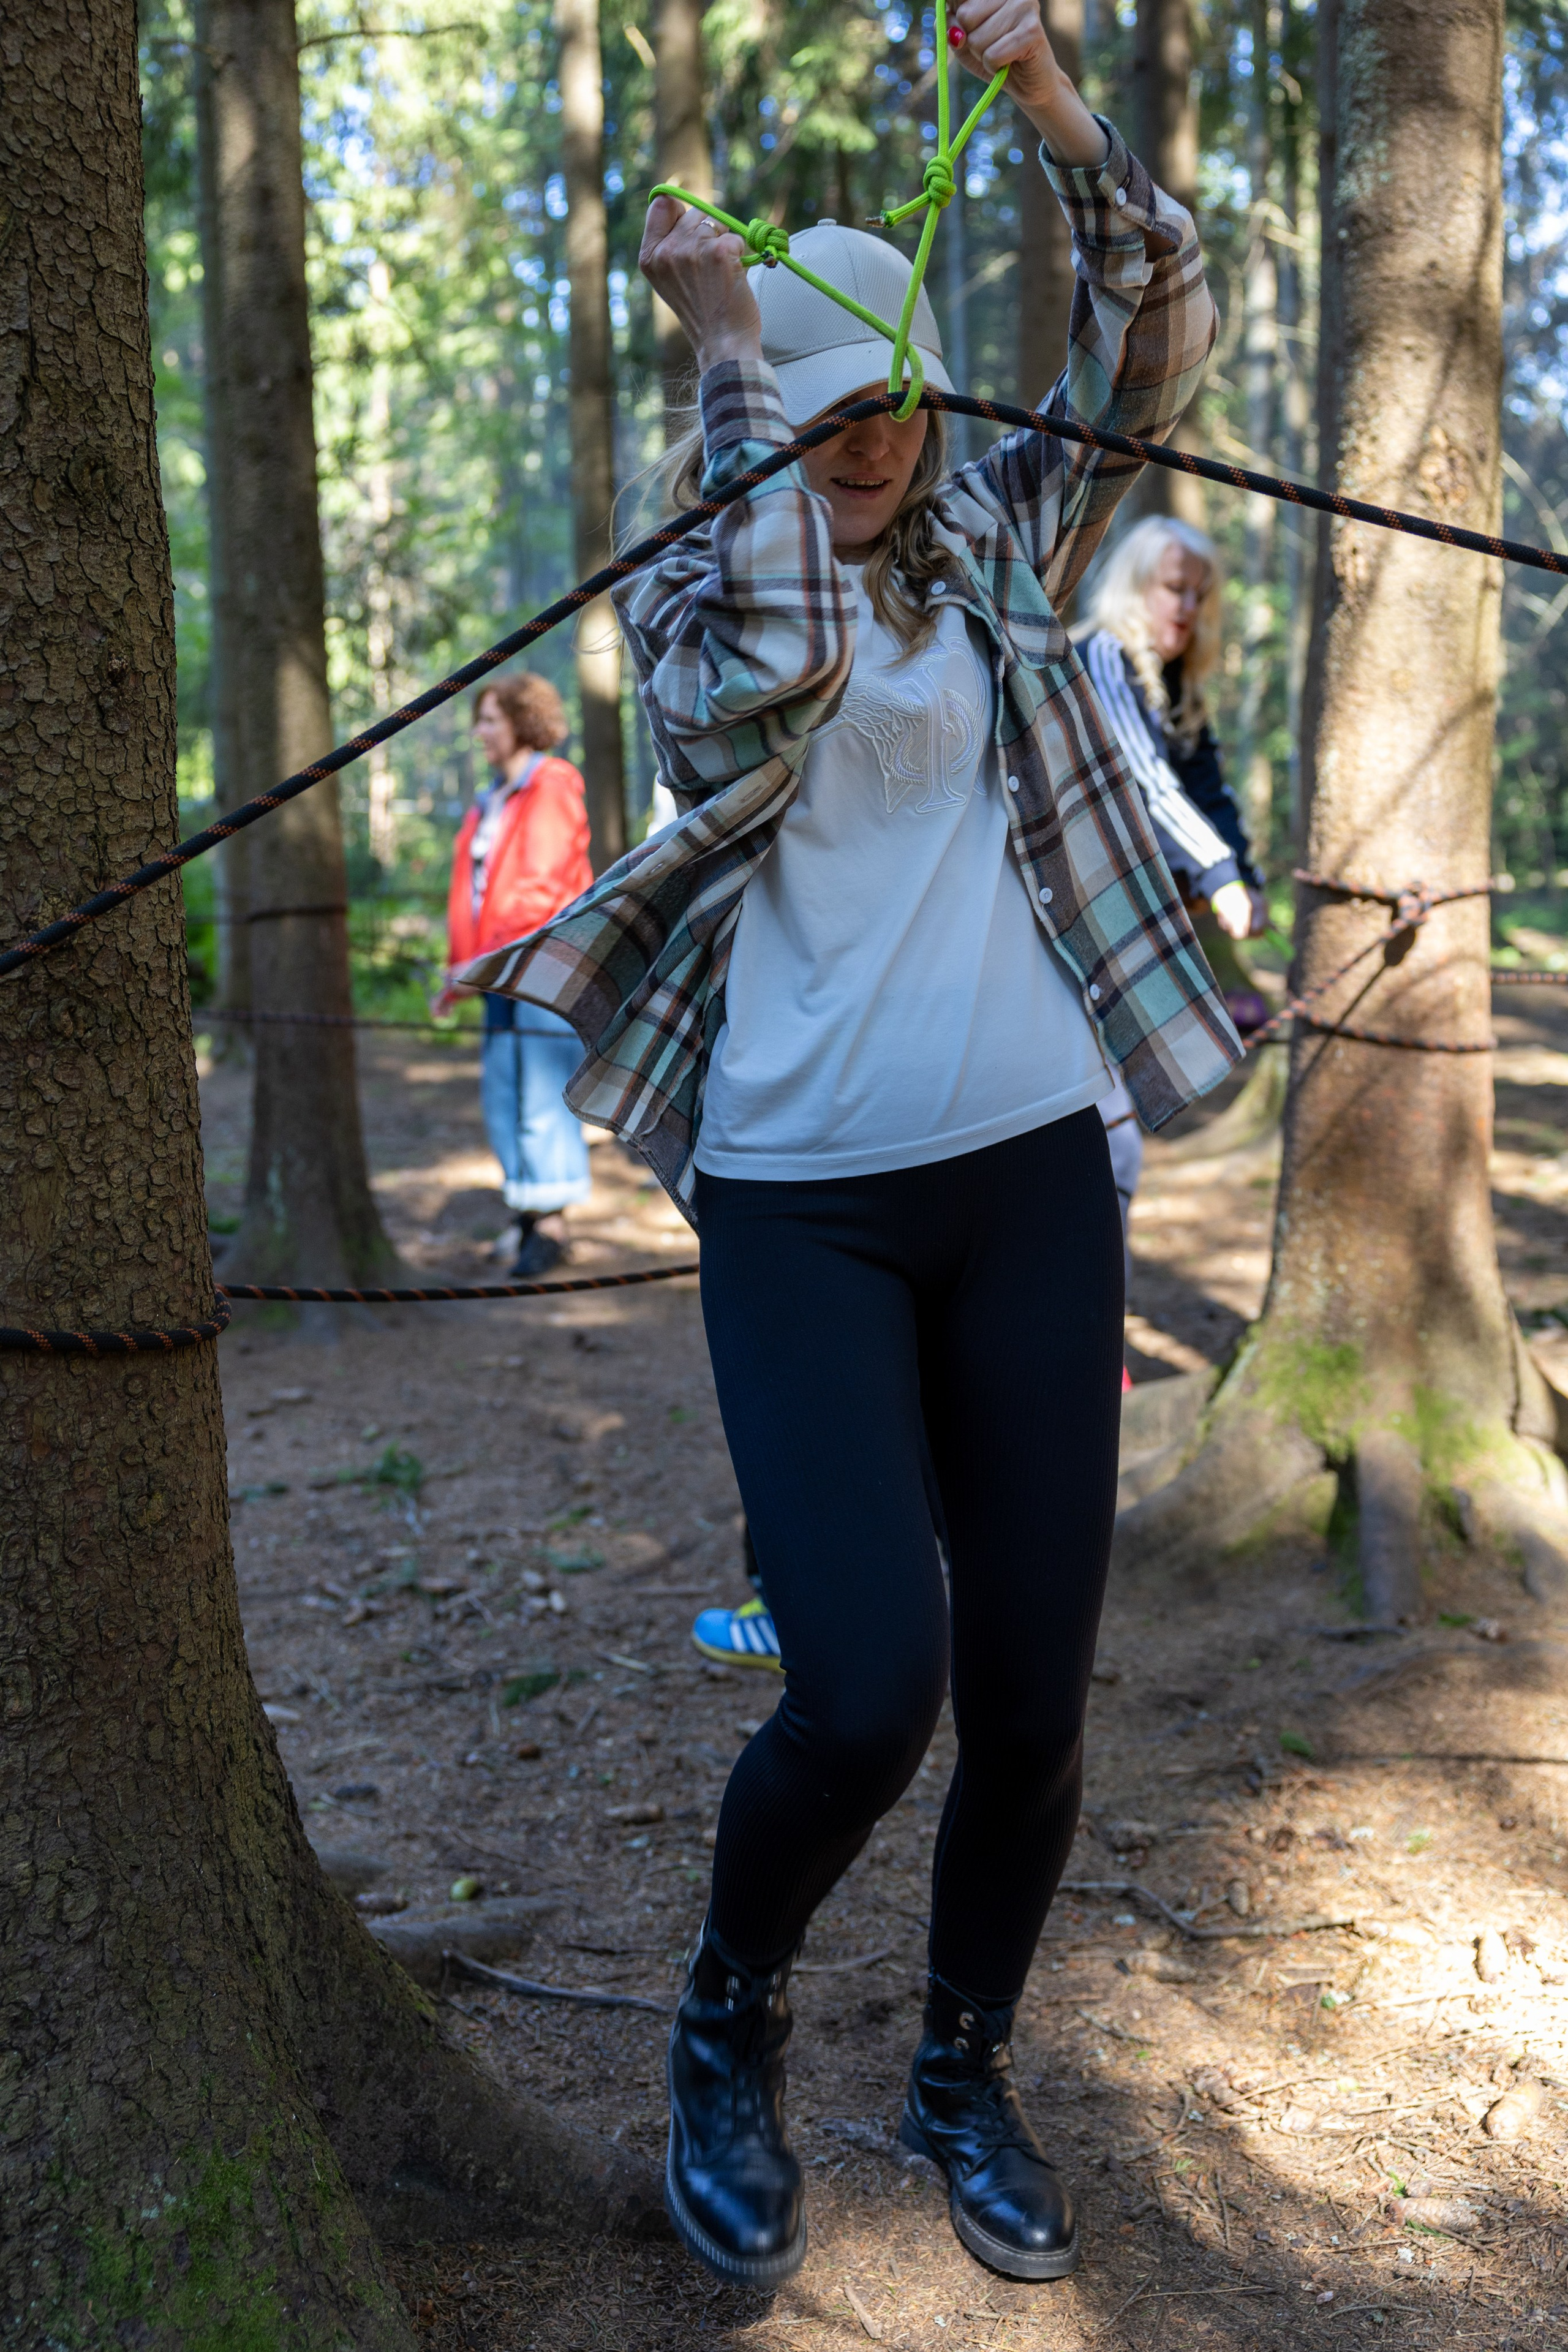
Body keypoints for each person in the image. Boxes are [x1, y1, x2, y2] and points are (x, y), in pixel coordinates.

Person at [454, 0, 1239, 2288]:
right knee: (866, 1689)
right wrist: (735, 359)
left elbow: (1151, 342)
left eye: (892, 395)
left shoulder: (997, 531)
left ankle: (960, 2067)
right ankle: (728, 2013)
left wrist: (1052, 109)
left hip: (1028, 1180)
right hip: (800, 1204)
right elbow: (772, 641)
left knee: (1033, 1703)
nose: (871, 437)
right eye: (827, 409)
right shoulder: (701, 580)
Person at [1079, 513, 1268, 1277]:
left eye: (1199, 594)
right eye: (1171, 589)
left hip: (1122, 941)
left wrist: (1244, 877)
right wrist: (1219, 876)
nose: (1186, 607)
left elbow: (1205, 787)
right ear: (1135, 587)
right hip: (1071, 940)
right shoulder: (1103, 657)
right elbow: (1144, 783)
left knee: (1114, 1142)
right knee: (1107, 1143)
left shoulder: (1174, 684)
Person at [441, 673, 594, 1277]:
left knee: (541, 1096)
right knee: (503, 1093)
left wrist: (487, 959)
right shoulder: (489, 800)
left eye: (490, 721)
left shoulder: (551, 784)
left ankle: (551, 1224)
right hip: (496, 971)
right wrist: (460, 971)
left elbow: (540, 888)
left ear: (521, 722)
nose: (479, 732)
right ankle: (527, 1212)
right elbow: (472, 896)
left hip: (540, 966)